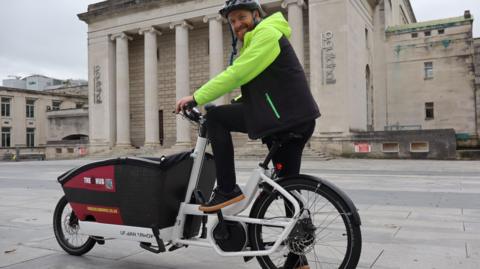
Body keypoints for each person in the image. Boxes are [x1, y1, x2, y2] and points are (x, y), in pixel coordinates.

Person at [175, 0, 320, 214]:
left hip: (284, 116)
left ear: (256, 15)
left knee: (216, 117)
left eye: (242, 17)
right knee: (288, 185)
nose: (237, 24)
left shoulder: (267, 34)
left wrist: (196, 97)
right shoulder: (258, 39)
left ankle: (226, 189)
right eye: (232, 21)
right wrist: (237, 103)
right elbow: (260, 86)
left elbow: (237, 74)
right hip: (296, 118)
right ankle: (297, 241)